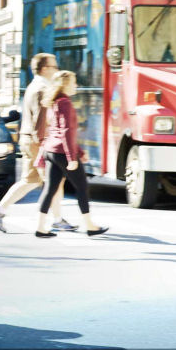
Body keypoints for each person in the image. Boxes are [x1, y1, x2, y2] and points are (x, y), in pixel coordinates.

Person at [0, 53, 76, 233]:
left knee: (30, 180)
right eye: (54, 67)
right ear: (45, 69)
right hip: (38, 141)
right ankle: (56, 219)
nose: (56, 70)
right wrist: (45, 143)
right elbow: (41, 119)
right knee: (55, 180)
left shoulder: (33, 85)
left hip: (29, 139)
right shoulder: (43, 88)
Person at [33, 70, 108, 238]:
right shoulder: (65, 103)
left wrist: (79, 152)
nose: (76, 85)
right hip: (61, 152)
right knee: (82, 187)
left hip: (51, 151)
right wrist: (71, 158)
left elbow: (60, 131)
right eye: (74, 82)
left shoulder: (55, 102)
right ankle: (90, 225)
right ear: (65, 84)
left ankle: (40, 227)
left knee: (50, 189)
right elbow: (66, 131)